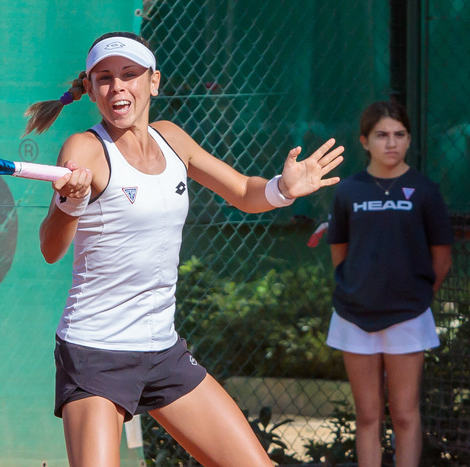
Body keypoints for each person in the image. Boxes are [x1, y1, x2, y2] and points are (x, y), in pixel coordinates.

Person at [25, 31, 345, 467]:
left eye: (129, 74)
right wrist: (71, 201)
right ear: (92, 88)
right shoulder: (85, 148)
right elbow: (50, 247)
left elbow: (243, 192)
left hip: (162, 350)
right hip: (95, 353)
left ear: (153, 82)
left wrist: (282, 189)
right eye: (104, 78)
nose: (118, 87)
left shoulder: (172, 138)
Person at [326, 101, 453, 467]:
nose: (391, 143)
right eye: (382, 135)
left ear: (409, 139)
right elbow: (340, 254)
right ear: (364, 141)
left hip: (409, 318)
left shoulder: (425, 191)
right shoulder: (348, 191)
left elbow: (441, 258)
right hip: (354, 317)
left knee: (405, 414)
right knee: (367, 416)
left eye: (399, 135)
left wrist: (415, 300)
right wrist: (360, 291)